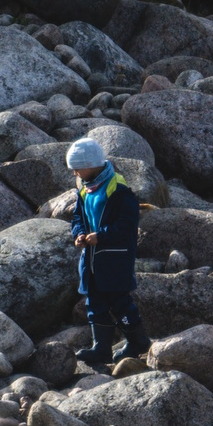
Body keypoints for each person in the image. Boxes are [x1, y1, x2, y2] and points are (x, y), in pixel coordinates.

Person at [68, 138, 146, 369]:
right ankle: (100, 347)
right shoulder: (84, 189)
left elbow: (128, 224)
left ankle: (138, 341)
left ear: (92, 164)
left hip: (115, 259)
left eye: (79, 167)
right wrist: (79, 234)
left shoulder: (118, 189)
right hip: (92, 260)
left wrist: (102, 235)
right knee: (95, 303)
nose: (75, 172)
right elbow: (77, 217)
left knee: (120, 303)